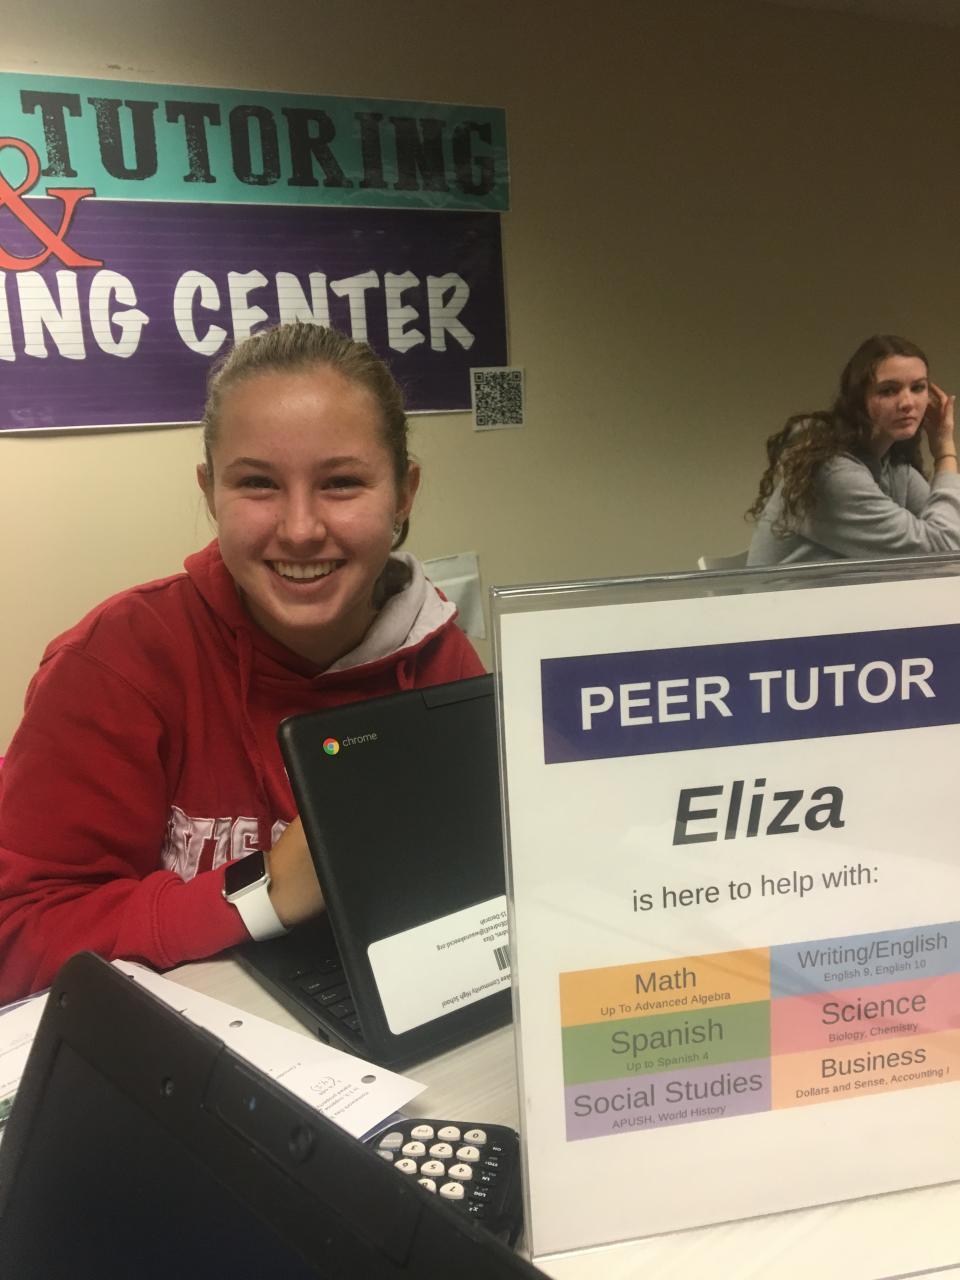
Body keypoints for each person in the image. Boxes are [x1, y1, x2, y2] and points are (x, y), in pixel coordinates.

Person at [0, 322, 484, 1002]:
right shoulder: (113, 663)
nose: (300, 529)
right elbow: (18, 934)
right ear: (210, 493)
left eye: (342, 482)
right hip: (173, 1042)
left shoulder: (442, 662)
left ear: (403, 494)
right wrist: (264, 893)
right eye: (258, 483)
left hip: (379, 1027)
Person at [746, 335, 960, 566]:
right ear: (859, 398)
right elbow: (942, 551)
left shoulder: (894, 467)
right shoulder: (830, 471)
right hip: (790, 591)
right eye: (889, 390)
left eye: (918, 387)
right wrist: (944, 451)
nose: (908, 402)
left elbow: (952, 535)